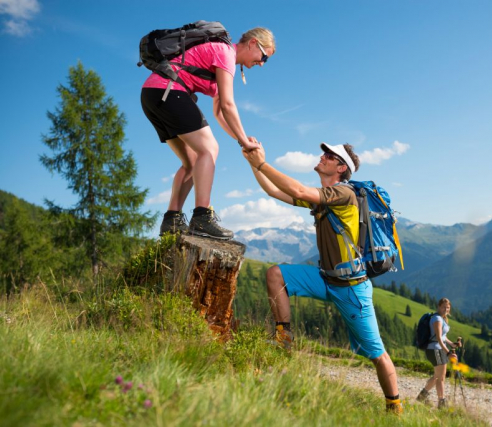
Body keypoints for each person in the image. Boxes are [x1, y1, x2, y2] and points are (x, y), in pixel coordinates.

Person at [242, 141, 403, 414]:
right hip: (326, 278)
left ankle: (394, 406)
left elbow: (298, 189)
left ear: (341, 168)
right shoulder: (325, 196)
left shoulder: (344, 193)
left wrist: (261, 163)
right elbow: (273, 190)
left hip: (352, 289)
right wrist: (252, 161)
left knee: (377, 354)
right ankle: (284, 337)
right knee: (275, 274)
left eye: (329, 156)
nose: (322, 157)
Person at [141, 27, 275, 239]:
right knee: (209, 149)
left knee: (193, 160)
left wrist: (241, 140)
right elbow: (229, 106)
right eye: (264, 57)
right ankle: (202, 217)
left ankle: (171, 220)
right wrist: (244, 141)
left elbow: (219, 112)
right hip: (169, 91)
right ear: (253, 43)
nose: (261, 63)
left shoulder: (223, 57)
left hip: (153, 94)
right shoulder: (225, 54)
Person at [416, 297, 461, 409]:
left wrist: (452, 344)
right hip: (435, 349)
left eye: (448, 307)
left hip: (437, 349)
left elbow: (443, 337)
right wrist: (448, 353)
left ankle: (422, 396)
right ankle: (442, 402)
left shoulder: (441, 318)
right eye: (444, 307)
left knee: (438, 376)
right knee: (440, 377)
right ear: (439, 307)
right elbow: (438, 338)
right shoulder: (437, 319)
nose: (446, 309)